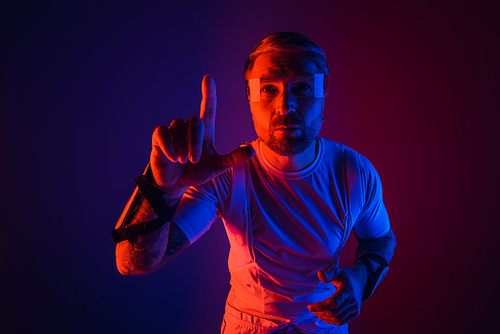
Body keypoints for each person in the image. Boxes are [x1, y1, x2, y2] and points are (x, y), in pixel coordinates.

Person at [111, 32, 396, 334]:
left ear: (323, 93)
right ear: (249, 96)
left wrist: (361, 276)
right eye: (269, 89)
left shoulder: (355, 171)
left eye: (302, 88)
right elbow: (133, 263)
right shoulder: (226, 175)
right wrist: (162, 189)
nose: (285, 106)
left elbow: (380, 238)